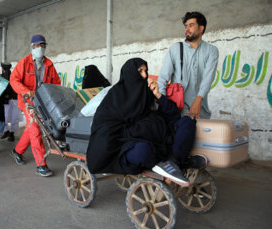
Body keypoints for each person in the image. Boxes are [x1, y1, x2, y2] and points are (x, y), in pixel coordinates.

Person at [86, 58, 206, 187]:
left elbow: (173, 115)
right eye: (140, 71)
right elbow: (106, 129)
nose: (144, 75)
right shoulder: (115, 96)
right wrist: (146, 129)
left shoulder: (148, 92)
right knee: (142, 151)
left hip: (161, 138)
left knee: (187, 122)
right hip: (130, 143)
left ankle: (175, 161)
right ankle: (171, 163)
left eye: (145, 71)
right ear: (130, 73)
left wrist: (158, 95)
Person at [10, 34, 61, 177]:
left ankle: (17, 151)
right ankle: (41, 164)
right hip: (28, 102)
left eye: (43, 45)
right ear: (32, 47)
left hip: (42, 102)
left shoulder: (49, 65)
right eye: (38, 45)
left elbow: (56, 83)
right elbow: (14, 80)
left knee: (32, 127)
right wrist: (26, 92)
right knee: (35, 129)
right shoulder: (24, 62)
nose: (40, 48)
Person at [157, 12, 219, 119]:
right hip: (177, 111)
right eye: (186, 26)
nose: (187, 29)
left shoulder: (211, 51)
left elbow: (208, 78)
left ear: (201, 28)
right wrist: (163, 105)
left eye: (191, 25)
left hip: (200, 110)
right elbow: (163, 78)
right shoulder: (175, 49)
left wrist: (198, 100)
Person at [0, 63, 20, 142]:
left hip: (5, 101)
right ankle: (11, 134)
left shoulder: (1, 77)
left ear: (3, 69)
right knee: (14, 118)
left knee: (3, 117)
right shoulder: (14, 77)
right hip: (15, 100)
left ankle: (6, 131)